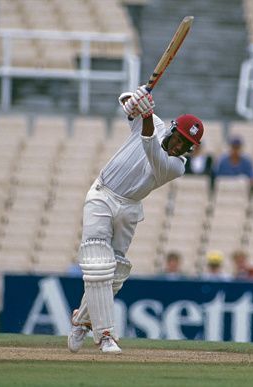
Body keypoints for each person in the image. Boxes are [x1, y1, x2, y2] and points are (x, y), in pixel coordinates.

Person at [67, 85, 205, 355]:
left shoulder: (176, 166)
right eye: (179, 139)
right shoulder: (153, 122)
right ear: (174, 129)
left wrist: (145, 115)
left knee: (114, 273)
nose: (179, 146)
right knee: (98, 264)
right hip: (103, 195)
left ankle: (82, 319)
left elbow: (150, 147)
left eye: (186, 145)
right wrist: (137, 100)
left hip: (130, 207)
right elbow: (124, 103)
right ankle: (105, 334)